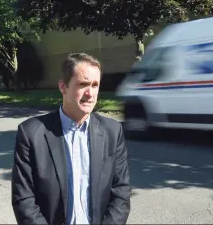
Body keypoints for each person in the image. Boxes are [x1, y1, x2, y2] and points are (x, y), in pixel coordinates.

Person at [11, 53, 131, 225]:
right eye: (83, 84)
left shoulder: (112, 131)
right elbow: (24, 200)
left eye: (95, 85)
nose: (90, 93)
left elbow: (121, 192)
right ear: (63, 87)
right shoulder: (31, 133)